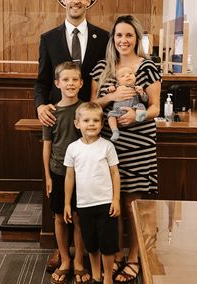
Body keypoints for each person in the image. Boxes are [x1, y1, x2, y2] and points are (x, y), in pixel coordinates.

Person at [90, 15, 161, 283]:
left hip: (140, 144)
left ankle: (134, 257)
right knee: (114, 201)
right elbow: (93, 105)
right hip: (110, 144)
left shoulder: (148, 67)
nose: (123, 40)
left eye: (129, 35)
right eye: (119, 35)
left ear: (137, 38)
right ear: (113, 39)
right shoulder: (102, 67)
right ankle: (116, 253)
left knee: (134, 203)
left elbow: (154, 106)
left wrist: (136, 116)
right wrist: (111, 97)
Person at [34, 0, 109, 127]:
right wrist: (40, 106)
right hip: (59, 118)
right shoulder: (49, 39)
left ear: (88, 1)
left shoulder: (104, 38)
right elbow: (42, 81)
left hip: (93, 119)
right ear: (64, 0)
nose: (76, 1)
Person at [42, 61, 90, 284]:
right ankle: (65, 260)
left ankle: (79, 260)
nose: (70, 83)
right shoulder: (50, 112)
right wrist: (48, 177)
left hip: (83, 173)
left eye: (74, 80)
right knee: (60, 217)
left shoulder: (86, 110)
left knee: (79, 217)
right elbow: (47, 146)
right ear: (57, 83)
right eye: (65, 80)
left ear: (81, 83)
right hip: (58, 172)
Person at [64, 102, 121, 284]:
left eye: (96, 120)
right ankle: (96, 276)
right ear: (77, 123)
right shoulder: (73, 148)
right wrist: (67, 203)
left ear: (102, 124)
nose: (91, 124)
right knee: (91, 244)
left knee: (107, 245)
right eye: (86, 120)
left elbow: (115, 173)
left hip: (105, 204)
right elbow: (69, 177)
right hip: (84, 205)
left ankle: (108, 279)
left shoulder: (107, 147)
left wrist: (116, 199)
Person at [106, 66, 148, 141]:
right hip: (118, 111)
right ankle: (115, 131)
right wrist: (110, 89)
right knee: (110, 114)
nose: (127, 75)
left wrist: (141, 93)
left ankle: (140, 118)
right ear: (118, 81)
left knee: (141, 105)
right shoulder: (117, 87)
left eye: (130, 73)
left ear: (135, 77)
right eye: (123, 75)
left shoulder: (137, 88)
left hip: (133, 109)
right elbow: (109, 92)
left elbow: (145, 100)